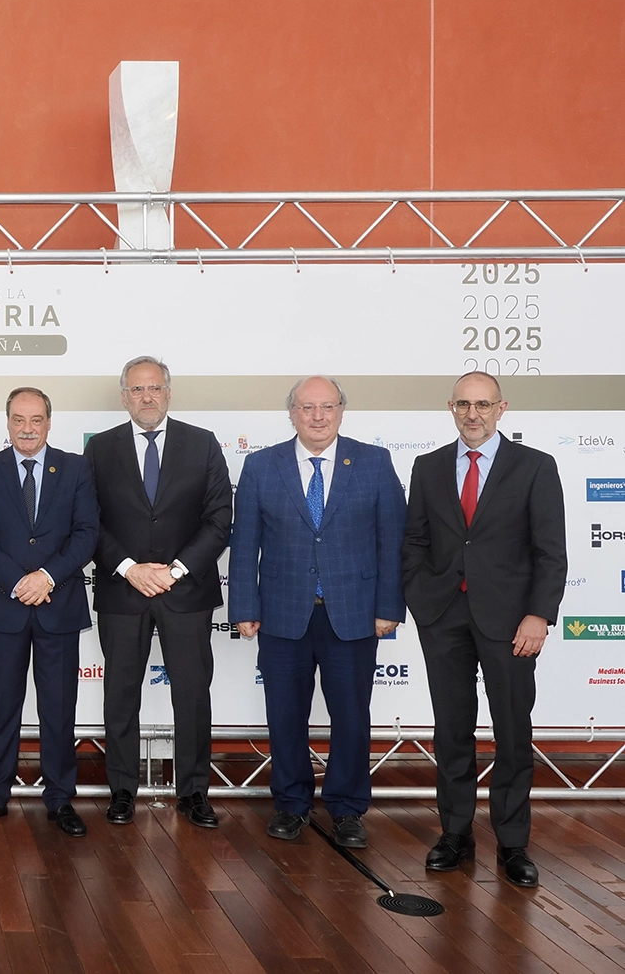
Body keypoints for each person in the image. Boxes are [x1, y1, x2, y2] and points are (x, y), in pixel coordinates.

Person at [403, 371, 566, 888]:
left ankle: (513, 842)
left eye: (483, 405)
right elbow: (415, 542)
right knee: (452, 731)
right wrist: (419, 598)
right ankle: (455, 834)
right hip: (443, 617)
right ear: (450, 408)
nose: (473, 414)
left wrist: (539, 614)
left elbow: (550, 551)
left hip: (512, 623)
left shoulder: (536, 467)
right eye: (464, 405)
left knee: (512, 733)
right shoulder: (427, 468)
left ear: (502, 409)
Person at [229, 376, 405, 848]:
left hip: (354, 614)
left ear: (342, 410)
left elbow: (393, 540)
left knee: (352, 716)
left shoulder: (373, 462)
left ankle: (347, 809)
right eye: (307, 407)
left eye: (327, 406)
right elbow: (244, 543)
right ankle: (291, 804)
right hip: (283, 614)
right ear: (291, 413)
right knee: (285, 715)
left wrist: (389, 606)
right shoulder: (262, 466)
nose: (318, 416)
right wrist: (244, 605)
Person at [84, 356, 232, 829]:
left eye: (154, 389)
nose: (146, 398)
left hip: (184, 592)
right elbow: (90, 523)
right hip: (122, 592)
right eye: (136, 390)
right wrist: (129, 568)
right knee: (121, 693)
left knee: (191, 693)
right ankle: (123, 790)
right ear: (123, 396)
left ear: (168, 393)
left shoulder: (202, 444)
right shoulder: (99, 449)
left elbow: (219, 519)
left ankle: (194, 792)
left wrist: (176, 570)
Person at [0, 387, 99, 837]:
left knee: (59, 708)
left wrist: (47, 578)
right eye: (19, 419)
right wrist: (19, 582)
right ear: (7, 422)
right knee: (2, 705)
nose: (27, 428)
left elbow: (86, 534)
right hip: (5, 605)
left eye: (36, 419)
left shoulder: (76, 468)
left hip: (58, 604)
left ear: (49, 423)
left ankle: (60, 798)